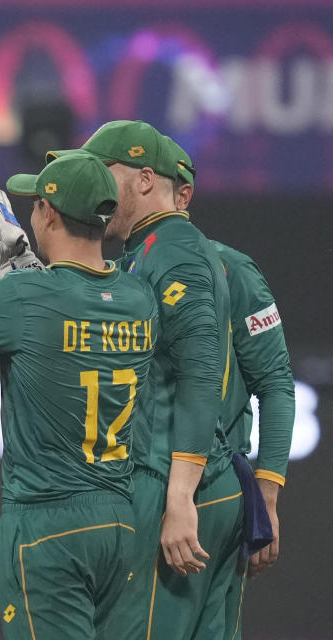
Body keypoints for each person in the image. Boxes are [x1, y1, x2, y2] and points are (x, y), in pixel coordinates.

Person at [0, 153, 159, 638]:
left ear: (49, 213)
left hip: (47, 524)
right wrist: (19, 264)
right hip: (121, 522)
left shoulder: (25, 297)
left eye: (36, 203)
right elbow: (68, 312)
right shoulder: (138, 297)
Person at [48, 120, 242, 639]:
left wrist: (179, 500)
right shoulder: (148, 248)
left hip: (175, 487)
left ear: (143, 180)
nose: (90, 187)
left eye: (100, 172)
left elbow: (201, 376)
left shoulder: (173, 250)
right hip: (191, 480)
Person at [167, 136, 293, 637]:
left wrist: (267, 499)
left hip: (211, 490)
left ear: (184, 196)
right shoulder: (124, 271)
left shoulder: (233, 270)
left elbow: (278, 387)